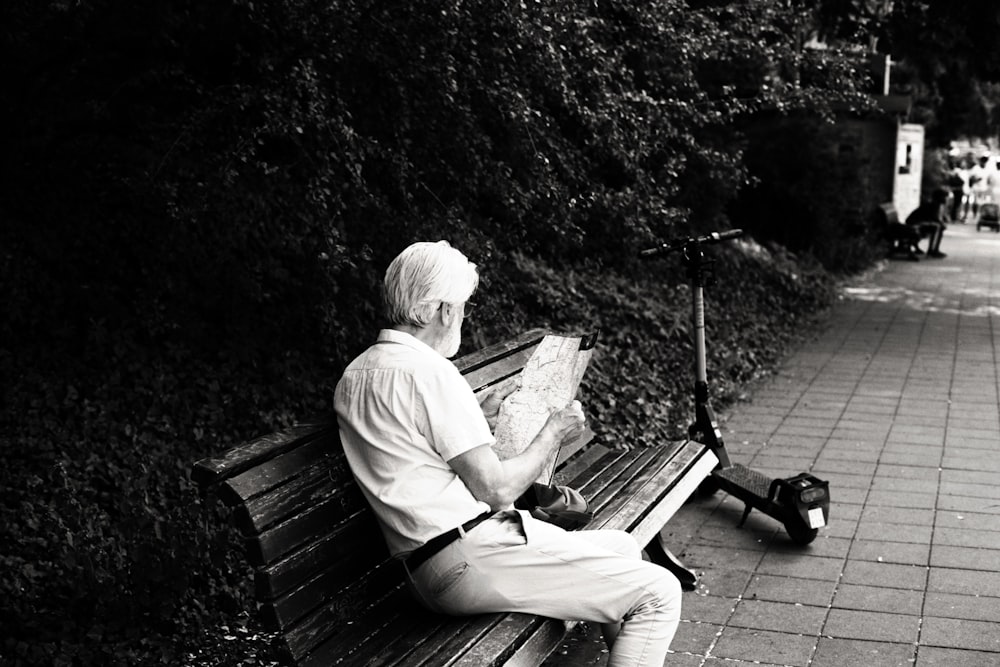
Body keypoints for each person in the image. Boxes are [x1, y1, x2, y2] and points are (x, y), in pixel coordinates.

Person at [334, 240, 682, 667]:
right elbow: (496, 490)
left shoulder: (357, 373)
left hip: (428, 565)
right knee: (660, 592)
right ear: (445, 310)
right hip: (468, 557)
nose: (462, 315)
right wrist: (552, 433)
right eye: (463, 306)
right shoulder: (428, 372)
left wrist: (474, 415)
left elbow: (406, 445)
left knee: (624, 547)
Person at [906, 189, 949, 258]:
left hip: (917, 223)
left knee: (938, 227)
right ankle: (932, 250)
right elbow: (935, 218)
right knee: (937, 227)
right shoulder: (934, 205)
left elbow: (937, 218)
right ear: (939, 198)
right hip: (914, 224)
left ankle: (934, 249)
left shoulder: (936, 205)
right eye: (945, 197)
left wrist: (943, 222)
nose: (946, 199)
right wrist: (942, 223)